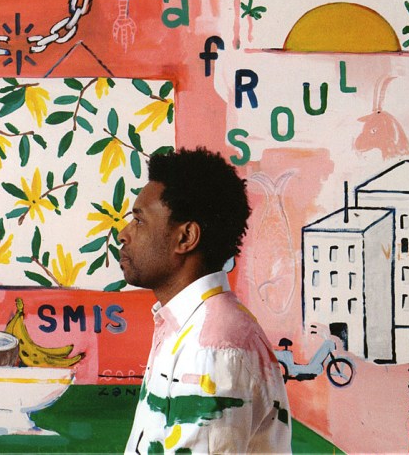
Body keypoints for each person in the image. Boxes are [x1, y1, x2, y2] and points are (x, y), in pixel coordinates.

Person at [119, 147, 291, 454]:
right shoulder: (188, 326)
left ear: (186, 238)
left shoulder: (213, 346)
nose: (124, 234)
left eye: (139, 221)